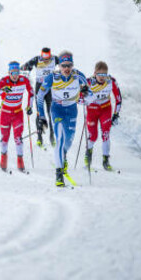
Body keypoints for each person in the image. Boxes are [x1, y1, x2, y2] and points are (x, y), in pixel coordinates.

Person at [36, 50, 93, 187]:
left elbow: (91, 98)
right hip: (57, 110)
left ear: (72, 65)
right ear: (59, 66)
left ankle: (64, 156)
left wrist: (85, 96)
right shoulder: (52, 77)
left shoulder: (79, 76)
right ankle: (59, 174)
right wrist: (42, 116)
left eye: (69, 65)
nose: (66, 69)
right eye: (63, 66)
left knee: (68, 142)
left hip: (72, 111)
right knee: (60, 139)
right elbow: (39, 97)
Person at [0, 61, 34, 172]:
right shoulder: (4, 81)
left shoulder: (23, 80)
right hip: (5, 113)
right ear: (9, 72)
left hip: (18, 113)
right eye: (13, 73)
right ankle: (3, 158)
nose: (15, 75)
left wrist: (29, 106)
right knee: (4, 138)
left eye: (17, 72)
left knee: (18, 137)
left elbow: (31, 92)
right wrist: (2, 90)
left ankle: (20, 160)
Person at [86, 61, 122, 171]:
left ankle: (105, 160)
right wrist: (83, 94)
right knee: (93, 136)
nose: (102, 77)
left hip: (105, 109)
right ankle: (88, 154)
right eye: (99, 74)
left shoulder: (111, 81)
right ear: (94, 73)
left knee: (106, 134)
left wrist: (116, 114)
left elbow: (118, 99)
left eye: (104, 74)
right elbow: (78, 96)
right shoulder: (88, 82)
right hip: (92, 110)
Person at [21, 47, 59, 147]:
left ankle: (52, 136)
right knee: (39, 112)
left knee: (51, 113)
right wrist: (24, 70)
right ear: (41, 55)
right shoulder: (37, 59)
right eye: (44, 57)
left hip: (50, 88)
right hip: (40, 87)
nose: (46, 59)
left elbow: (66, 64)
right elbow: (24, 67)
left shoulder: (55, 59)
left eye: (48, 57)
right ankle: (39, 137)